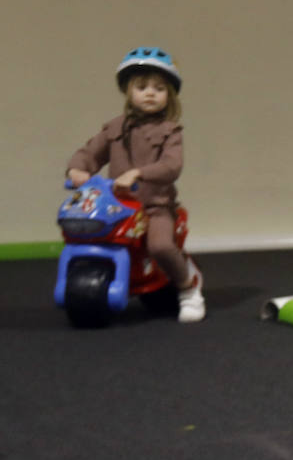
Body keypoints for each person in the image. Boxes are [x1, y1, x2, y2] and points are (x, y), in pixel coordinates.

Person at [65, 48, 205, 323]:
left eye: (159, 88)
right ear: (129, 91)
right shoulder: (115, 128)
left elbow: (172, 166)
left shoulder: (170, 132)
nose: (150, 93)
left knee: (161, 246)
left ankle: (189, 288)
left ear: (170, 95)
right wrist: (77, 168)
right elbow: (91, 152)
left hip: (154, 207)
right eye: (142, 87)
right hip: (116, 205)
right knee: (85, 231)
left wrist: (139, 173)